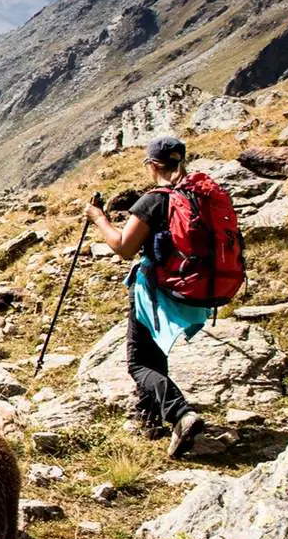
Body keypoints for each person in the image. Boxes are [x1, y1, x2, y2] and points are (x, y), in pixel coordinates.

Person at [83, 135, 210, 459]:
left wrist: (99, 219)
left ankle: (180, 414)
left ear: (153, 165)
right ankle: (150, 419)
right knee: (154, 355)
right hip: (193, 284)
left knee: (138, 362)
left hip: (158, 288)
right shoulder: (199, 194)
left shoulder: (155, 201)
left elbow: (123, 247)